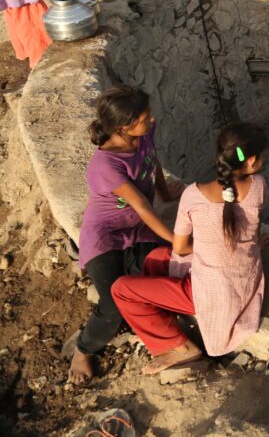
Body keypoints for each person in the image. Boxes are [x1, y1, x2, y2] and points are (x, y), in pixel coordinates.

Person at [112, 123, 268, 374]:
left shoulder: (193, 195)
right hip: (243, 278)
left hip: (214, 292)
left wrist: (208, 244)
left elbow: (181, 246)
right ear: (251, 162)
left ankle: (182, 347)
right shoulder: (259, 185)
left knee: (121, 290)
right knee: (155, 259)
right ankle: (166, 324)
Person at [69, 86, 181, 383]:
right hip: (106, 236)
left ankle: (150, 325)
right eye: (144, 117)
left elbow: (152, 160)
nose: (151, 119)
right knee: (113, 303)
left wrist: (166, 191)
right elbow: (142, 205)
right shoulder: (105, 164)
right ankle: (83, 350)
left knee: (158, 274)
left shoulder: (143, 134)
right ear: (122, 127)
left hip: (137, 230)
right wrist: (174, 238)